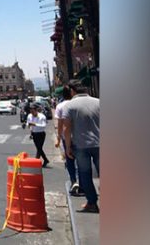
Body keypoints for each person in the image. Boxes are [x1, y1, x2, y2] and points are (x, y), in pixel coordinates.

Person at [62, 79, 100, 213]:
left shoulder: (70, 105)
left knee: (85, 174)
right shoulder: (98, 102)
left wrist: (67, 147)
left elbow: (66, 128)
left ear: (72, 91)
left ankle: (92, 203)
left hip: (81, 145)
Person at [54, 86, 82, 196]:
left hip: (67, 138)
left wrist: (58, 138)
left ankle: (74, 181)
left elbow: (60, 125)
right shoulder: (77, 104)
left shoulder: (60, 106)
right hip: (79, 136)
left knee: (69, 160)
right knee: (81, 160)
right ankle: (81, 182)